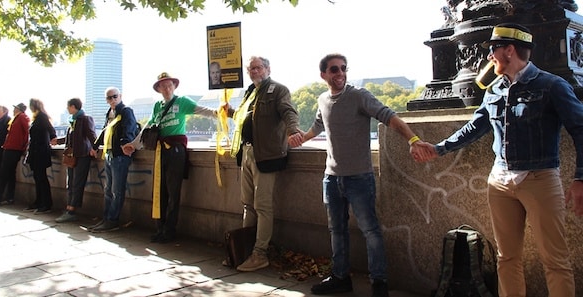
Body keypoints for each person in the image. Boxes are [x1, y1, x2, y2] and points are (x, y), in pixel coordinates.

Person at [417, 23, 581, 297]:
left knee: (555, 261)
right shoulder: (494, 90)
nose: (489, 57)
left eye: (492, 50)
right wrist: (439, 148)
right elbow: (475, 127)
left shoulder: (552, 86)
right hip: (500, 182)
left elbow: (580, 128)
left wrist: (580, 178)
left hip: (539, 179)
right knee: (507, 258)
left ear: (509, 50)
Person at [290, 53, 429, 297]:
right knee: (337, 230)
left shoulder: (359, 96)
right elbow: (318, 126)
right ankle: (340, 277)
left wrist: (414, 140)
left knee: (371, 231)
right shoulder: (322, 99)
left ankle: (379, 283)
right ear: (323, 74)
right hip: (331, 178)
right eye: (334, 70)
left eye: (344, 68)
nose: (340, 73)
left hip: (359, 178)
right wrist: (301, 138)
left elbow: (389, 117)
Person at [224, 56, 301, 272]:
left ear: (268, 69)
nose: (254, 71)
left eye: (258, 67)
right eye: (251, 68)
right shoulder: (249, 92)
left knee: (263, 206)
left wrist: (293, 131)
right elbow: (243, 117)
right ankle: (244, 248)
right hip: (246, 151)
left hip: (266, 155)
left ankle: (260, 253)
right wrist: (229, 112)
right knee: (248, 204)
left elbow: (288, 112)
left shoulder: (278, 90)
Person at [123, 72, 217, 243]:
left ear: (174, 86)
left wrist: (226, 113)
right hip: (160, 151)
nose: (166, 89)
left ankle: (170, 230)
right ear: (158, 89)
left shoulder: (183, 102)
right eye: (162, 86)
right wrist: (133, 144)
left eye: (169, 85)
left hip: (175, 151)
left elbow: (205, 112)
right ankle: (160, 228)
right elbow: (148, 127)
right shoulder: (157, 106)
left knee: (173, 191)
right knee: (160, 191)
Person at [87, 88, 137, 232]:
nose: (112, 100)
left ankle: (112, 220)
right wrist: (95, 146)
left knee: (117, 190)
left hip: (120, 156)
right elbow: (104, 131)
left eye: (114, 97)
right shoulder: (110, 113)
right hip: (109, 154)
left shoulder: (126, 111)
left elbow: (129, 128)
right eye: (109, 98)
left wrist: (124, 143)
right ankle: (107, 218)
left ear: (120, 96)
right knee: (108, 189)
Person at [55, 98, 97, 223]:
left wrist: (94, 148)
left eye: (68, 106)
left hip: (82, 156)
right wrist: (57, 141)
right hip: (72, 156)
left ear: (73, 107)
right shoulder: (73, 121)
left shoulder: (85, 119)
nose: (67, 109)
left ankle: (72, 210)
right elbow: (71, 137)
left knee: (77, 183)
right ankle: (69, 208)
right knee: (71, 184)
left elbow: (92, 136)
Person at [0, 103, 30, 208]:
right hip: (8, 148)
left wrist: (23, 147)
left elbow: (26, 133)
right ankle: (4, 197)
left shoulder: (21, 117)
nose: (13, 110)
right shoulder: (14, 119)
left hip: (12, 150)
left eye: (15, 108)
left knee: (3, 173)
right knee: (6, 174)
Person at [25, 99, 57, 214]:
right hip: (36, 152)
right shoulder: (37, 117)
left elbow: (52, 131)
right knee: (38, 178)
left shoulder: (42, 117)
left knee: (41, 178)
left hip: (41, 152)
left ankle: (46, 204)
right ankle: (39, 202)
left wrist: (53, 139)